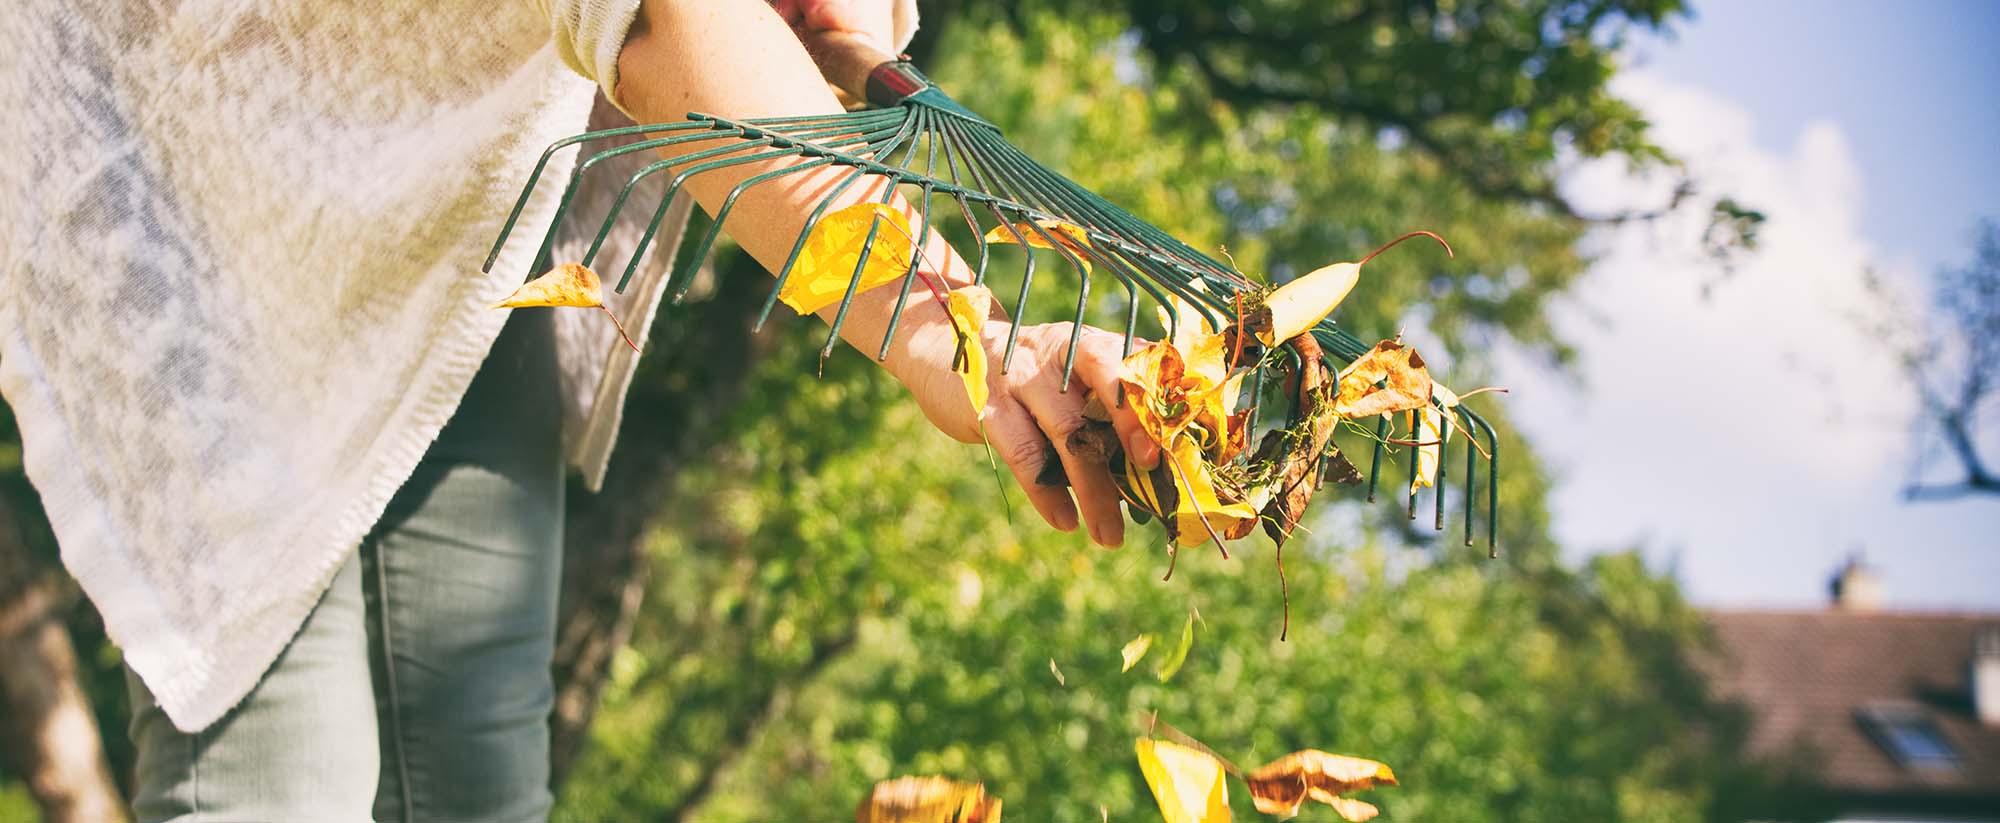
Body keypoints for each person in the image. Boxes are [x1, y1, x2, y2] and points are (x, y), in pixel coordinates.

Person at [0, 0, 1162, 820]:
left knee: (471, 768)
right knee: (277, 771)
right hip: (171, 111)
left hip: (460, 144)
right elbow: (659, 30)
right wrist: (956, 335)